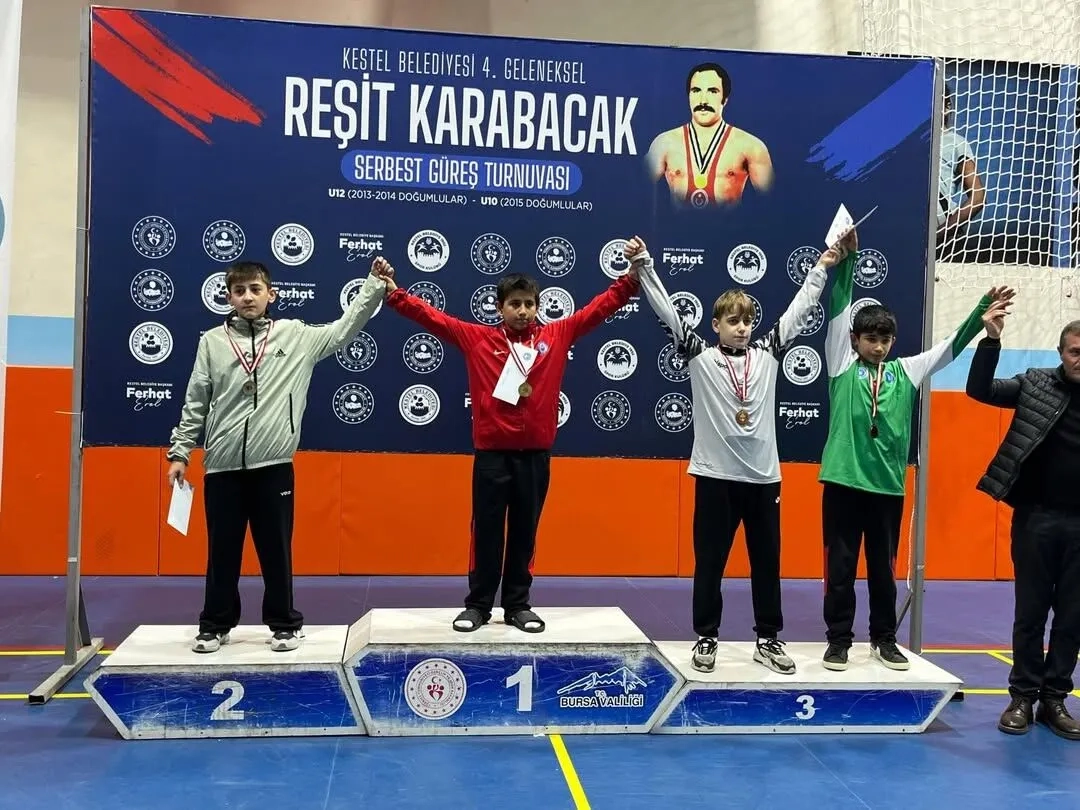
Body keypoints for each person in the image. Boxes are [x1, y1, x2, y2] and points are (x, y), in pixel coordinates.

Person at [626, 227, 853, 674]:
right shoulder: (699, 355)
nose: (743, 328)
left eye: (747, 321)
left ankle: (768, 639)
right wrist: (645, 265)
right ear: (716, 326)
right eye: (733, 321)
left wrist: (823, 267)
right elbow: (667, 311)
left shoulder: (768, 353)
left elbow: (798, 310)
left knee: (767, 564)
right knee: (710, 563)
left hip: (764, 480)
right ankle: (706, 637)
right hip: (715, 478)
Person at [373, 263, 639, 633]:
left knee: (524, 534)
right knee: (487, 532)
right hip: (492, 457)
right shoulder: (477, 339)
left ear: (538, 306)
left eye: (529, 303)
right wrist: (394, 294)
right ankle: (478, 605)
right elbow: (434, 319)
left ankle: (517, 605)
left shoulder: (557, 335)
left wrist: (630, 281)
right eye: (515, 304)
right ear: (499, 307)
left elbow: (597, 309)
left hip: (535, 457)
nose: (523, 311)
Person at [166, 258, 390, 653]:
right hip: (222, 466)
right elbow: (196, 399)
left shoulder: (296, 336)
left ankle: (285, 624)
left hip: (273, 467)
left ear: (271, 294)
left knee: (276, 549)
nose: (247, 297)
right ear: (229, 297)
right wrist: (181, 451)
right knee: (222, 551)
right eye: (239, 291)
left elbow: (344, 328)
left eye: (255, 289)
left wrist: (373, 285)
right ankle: (215, 624)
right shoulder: (212, 342)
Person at [817, 245, 1008, 672]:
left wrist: (982, 310)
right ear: (855, 340)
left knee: (883, 571)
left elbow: (951, 347)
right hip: (843, 483)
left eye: (885, 340)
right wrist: (847, 262)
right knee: (840, 567)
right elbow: (839, 309)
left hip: (887, 488)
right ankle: (838, 641)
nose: (878, 347)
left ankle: (884, 640)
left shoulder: (907, 370)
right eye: (871, 339)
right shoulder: (841, 365)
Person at [966, 314, 1080, 740]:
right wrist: (991, 341)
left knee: (1072, 617)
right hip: (1037, 518)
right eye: (1075, 351)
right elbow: (980, 390)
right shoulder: (1035, 384)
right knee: (1030, 613)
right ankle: (1022, 697)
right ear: (1061, 353)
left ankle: (1055, 700)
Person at [645, 61, 773, 208]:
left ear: (725, 99)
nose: (703, 101)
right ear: (688, 96)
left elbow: (772, 204)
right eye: (696, 91)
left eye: (712, 91)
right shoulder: (664, 144)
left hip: (728, 223)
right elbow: (636, 189)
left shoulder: (751, 146)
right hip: (678, 223)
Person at [936, 83, 985, 255]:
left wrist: (942, 231)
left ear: (947, 106)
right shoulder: (909, 142)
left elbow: (978, 196)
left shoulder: (957, 143)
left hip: (943, 239)